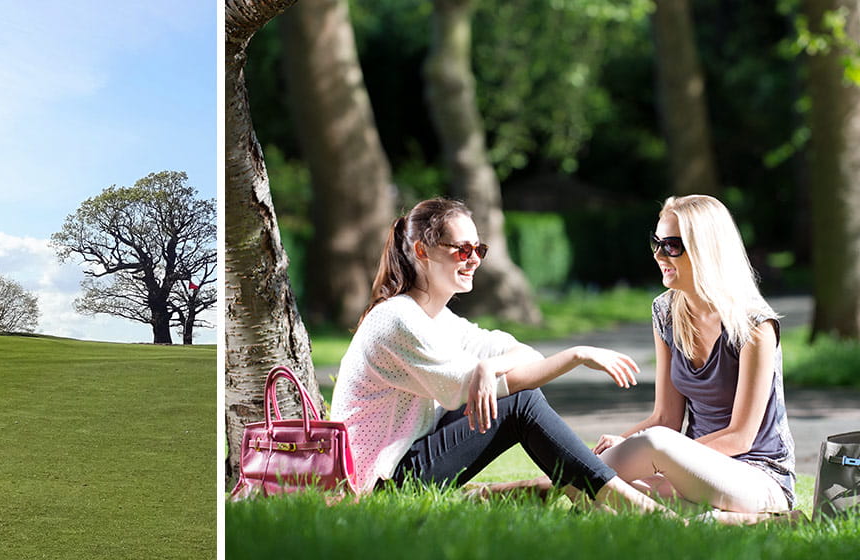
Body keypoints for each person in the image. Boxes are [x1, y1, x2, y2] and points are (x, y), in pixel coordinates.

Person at [328, 198, 666, 513]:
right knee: (521, 404)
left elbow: (526, 354)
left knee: (520, 398)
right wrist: (576, 355)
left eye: (479, 249)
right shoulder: (398, 319)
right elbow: (491, 389)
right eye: (462, 250)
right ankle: (639, 508)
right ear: (422, 251)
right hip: (376, 485)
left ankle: (594, 501)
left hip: (404, 463)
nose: (474, 259)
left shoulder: (439, 318)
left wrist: (489, 365)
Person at [592, 195, 798, 523]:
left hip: (759, 477)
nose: (659, 254)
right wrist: (627, 443)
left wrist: (660, 454)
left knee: (623, 466)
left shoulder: (754, 325)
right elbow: (665, 417)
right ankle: (729, 522)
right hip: (691, 469)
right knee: (604, 495)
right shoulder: (666, 311)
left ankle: (521, 489)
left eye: (672, 245)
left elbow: (739, 436)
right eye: (656, 243)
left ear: (706, 249)